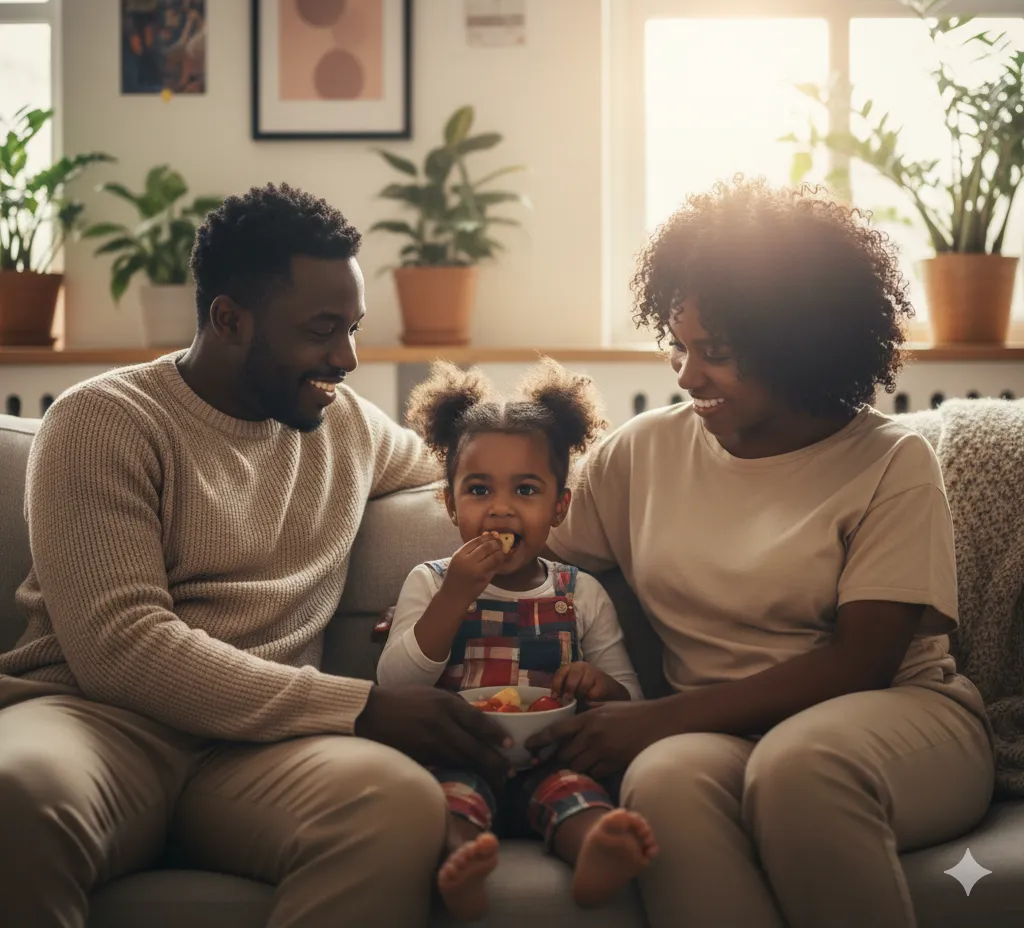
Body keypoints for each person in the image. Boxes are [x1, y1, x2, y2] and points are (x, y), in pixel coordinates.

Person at [0, 183, 512, 928]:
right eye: (322, 329)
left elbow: (472, 474)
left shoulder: (347, 428)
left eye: (354, 327)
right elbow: (123, 647)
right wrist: (361, 707)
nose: (347, 357)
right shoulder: (102, 421)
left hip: (259, 753)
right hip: (97, 723)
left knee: (398, 805)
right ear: (228, 319)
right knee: (16, 791)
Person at [527, 179, 995, 928]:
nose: (686, 376)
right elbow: (528, 554)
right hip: (715, 737)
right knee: (663, 780)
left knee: (797, 768)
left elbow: (860, 663)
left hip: (893, 721)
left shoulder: (890, 462)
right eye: (677, 347)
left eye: (715, 352)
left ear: (799, 345)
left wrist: (659, 717)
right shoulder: (640, 455)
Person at [377, 360, 654, 920]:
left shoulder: (581, 592)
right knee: (444, 811)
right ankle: (462, 865)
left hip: (549, 761)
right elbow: (395, 686)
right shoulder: (430, 581)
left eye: (525, 490)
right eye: (478, 489)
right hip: (458, 759)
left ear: (559, 507)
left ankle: (599, 851)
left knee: (579, 801)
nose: (500, 509)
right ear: (451, 503)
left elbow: (631, 699)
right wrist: (455, 595)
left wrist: (599, 685)